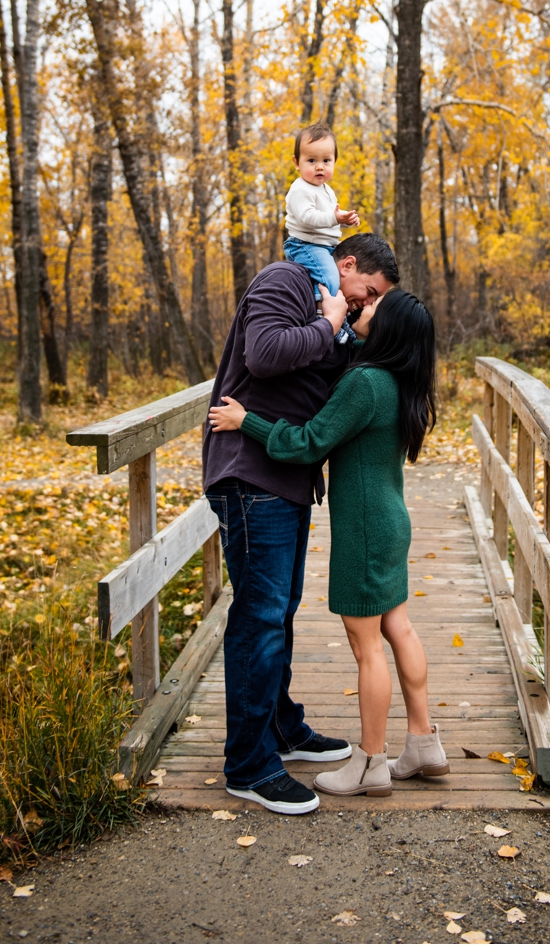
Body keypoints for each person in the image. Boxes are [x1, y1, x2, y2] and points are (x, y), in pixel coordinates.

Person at [208, 288, 449, 797]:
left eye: (374, 309)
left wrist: (243, 420)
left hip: (363, 530)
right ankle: (425, 743)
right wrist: (333, 322)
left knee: (367, 650)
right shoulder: (398, 380)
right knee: (399, 630)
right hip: (391, 521)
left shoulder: (365, 382)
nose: (363, 308)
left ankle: (371, 762)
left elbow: (309, 442)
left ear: (388, 332)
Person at [201, 231, 400, 815]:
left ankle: (283, 729)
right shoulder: (284, 281)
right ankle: (248, 765)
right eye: (369, 291)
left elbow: (330, 380)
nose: (365, 303)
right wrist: (332, 317)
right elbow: (262, 354)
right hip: (249, 476)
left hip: (285, 476)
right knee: (259, 617)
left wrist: (348, 329)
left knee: (278, 611)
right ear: (347, 266)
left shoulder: (335, 317)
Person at [285, 122, 360, 305]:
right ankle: (321, 314)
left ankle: (342, 315)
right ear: (296, 162)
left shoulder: (326, 189)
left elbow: (329, 215)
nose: (320, 167)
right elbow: (308, 217)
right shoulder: (300, 189)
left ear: (334, 161)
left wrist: (344, 219)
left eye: (326, 161)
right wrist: (334, 218)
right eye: (312, 161)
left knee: (348, 276)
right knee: (329, 277)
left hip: (326, 246)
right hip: (305, 246)